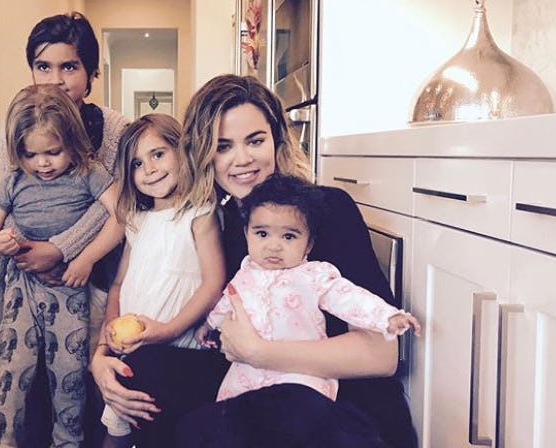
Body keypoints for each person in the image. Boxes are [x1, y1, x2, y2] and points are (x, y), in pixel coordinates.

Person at [91, 74, 418, 448]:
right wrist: (102, 358)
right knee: (146, 371)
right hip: (252, 385)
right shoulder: (221, 222)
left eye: (255, 141)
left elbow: (383, 355)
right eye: (223, 146)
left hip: (333, 398)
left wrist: (260, 353)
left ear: (277, 140)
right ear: (203, 155)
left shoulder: (328, 208)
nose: (242, 159)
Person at [188, 173, 421, 446]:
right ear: (247, 234)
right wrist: (209, 325)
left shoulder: (315, 276)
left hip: (298, 377)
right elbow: (228, 304)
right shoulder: (245, 273)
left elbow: (350, 299)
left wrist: (386, 317)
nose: (273, 245)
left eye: (289, 236)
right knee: (229, 421)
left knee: (298, 422)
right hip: (246, 374)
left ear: (308, 244)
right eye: (262, 234)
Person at [0, 84, 125, 448]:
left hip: (68, 285)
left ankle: (67, 441)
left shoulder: (89, 173)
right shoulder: (13, 181)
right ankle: (0, 440)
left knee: (68, 373)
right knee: (11, 368)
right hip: (22, 286)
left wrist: (85, 259)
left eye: (53, 152)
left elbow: (122, 214)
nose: (42, 163)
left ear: (72, 141)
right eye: (30, 154)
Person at [0, 11, 130, 359]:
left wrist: (60, 251)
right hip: (24, 272)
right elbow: (8, 200)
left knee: (79, 364)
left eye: (69, 67)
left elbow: (114, 205)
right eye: (43, 67)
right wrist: (29, 252)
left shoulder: (115, 129)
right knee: (23, 364)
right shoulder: (21, 123)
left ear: (91, 73)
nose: (55, 80)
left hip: (91, 273)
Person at [96, 114, 226, 448]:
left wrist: (168, 330)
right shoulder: (137, 220)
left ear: (182, 151)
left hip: (177, 348)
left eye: (158, 154)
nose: (149, 169)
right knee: (116, 431)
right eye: (137, 163)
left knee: (157, 429)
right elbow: (118, 284)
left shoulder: (199, 213)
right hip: (131, 349)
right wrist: (109, 328)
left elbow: (213, 283)